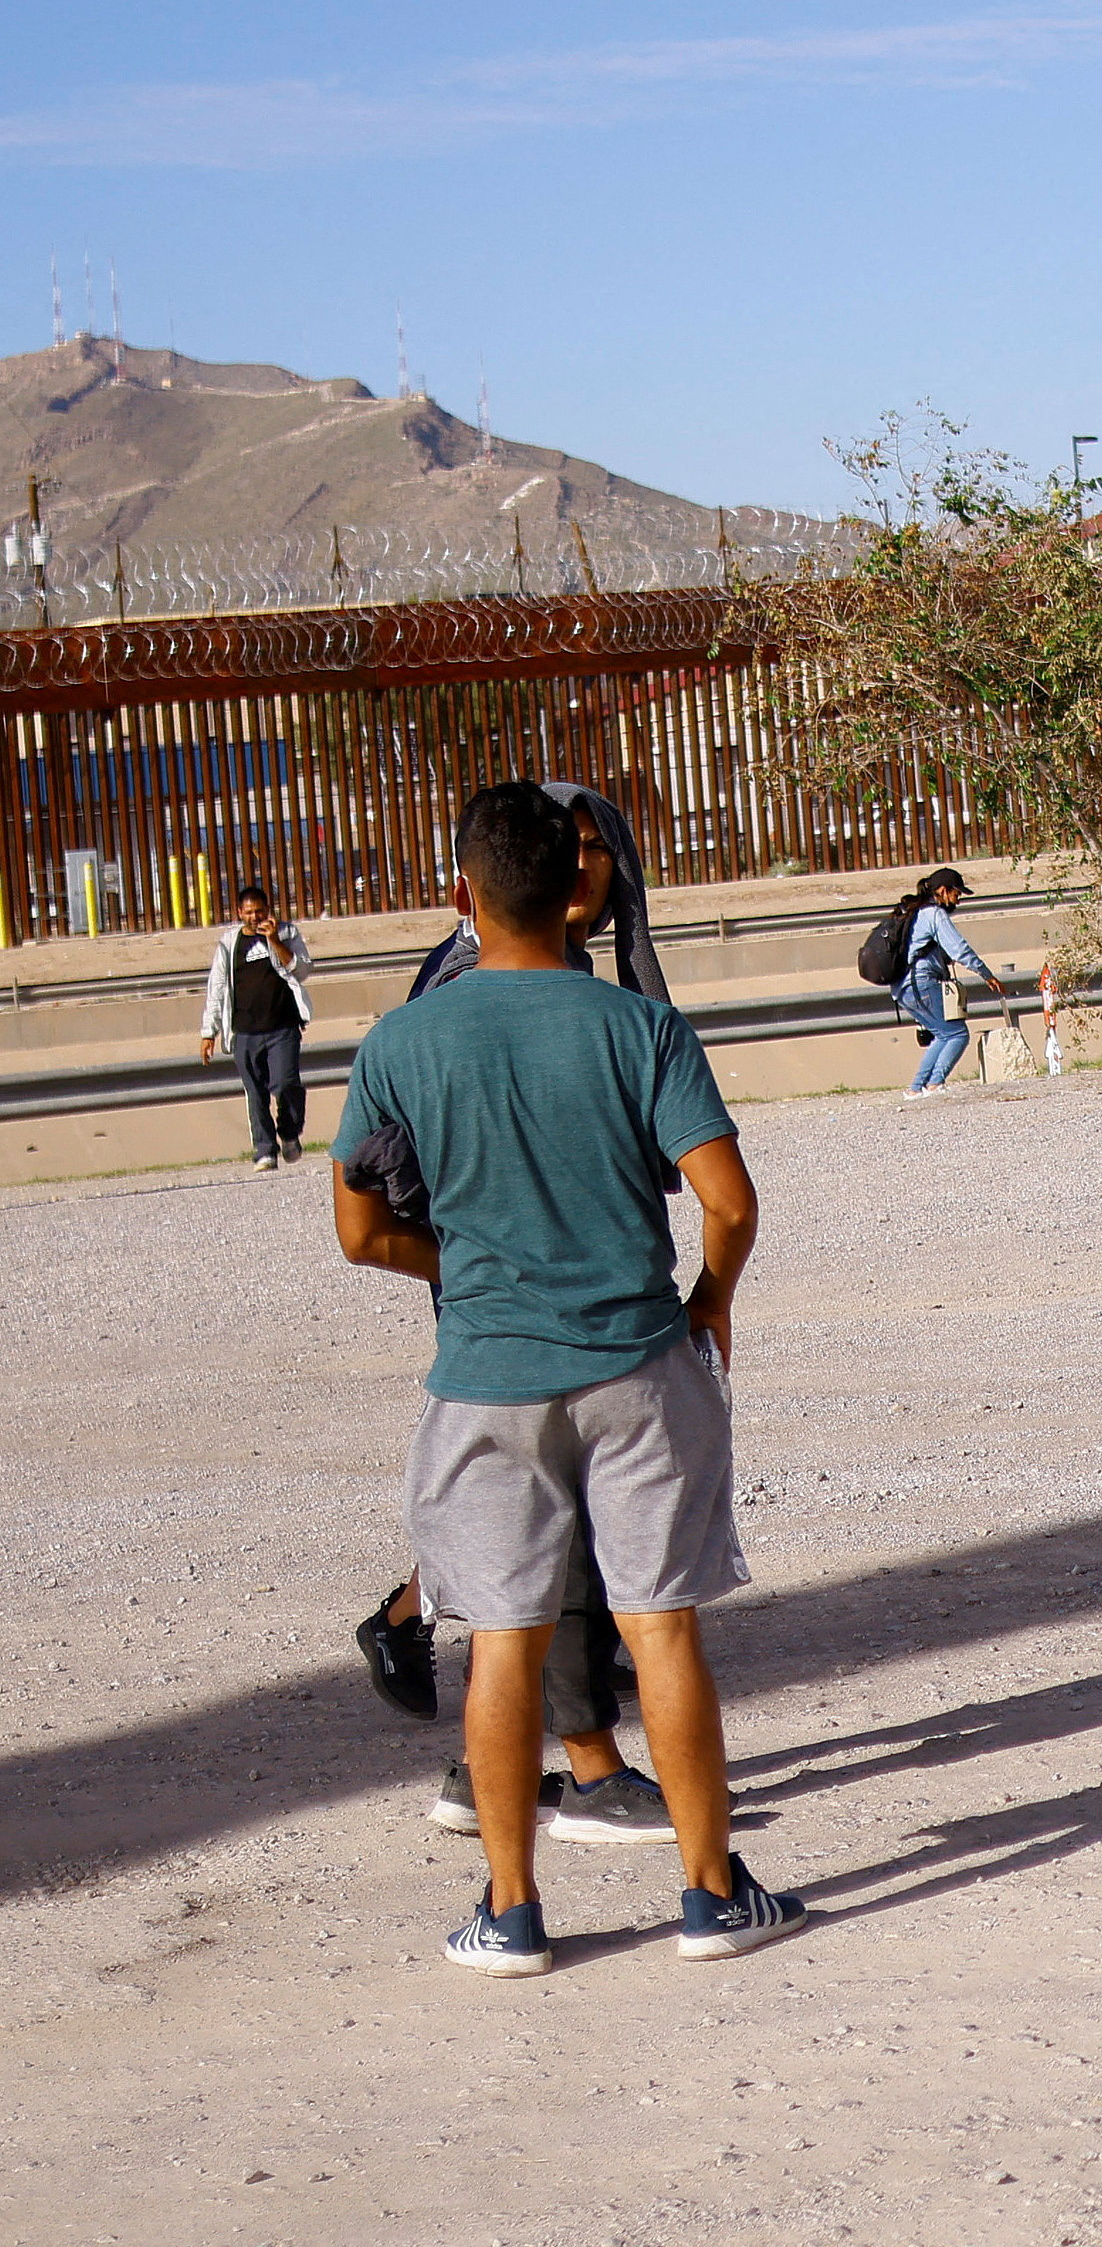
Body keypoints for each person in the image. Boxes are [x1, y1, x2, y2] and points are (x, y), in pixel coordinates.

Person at [330, 781, 799, 1973]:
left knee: (503, 1639)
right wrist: (711, 1297)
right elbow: (731, 1202)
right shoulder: (638, 1028)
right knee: (665, 1633)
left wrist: (479, 1260)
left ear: (461, 895)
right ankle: (709, 1897)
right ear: (581, 891)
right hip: (641, 1361)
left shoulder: (401, 1042)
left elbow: (358, 1231)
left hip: (485, 1374)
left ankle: (514, 1911)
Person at [350, 781, 667, 1832]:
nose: (581, 871)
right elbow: (374, 1202)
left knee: (521, 1522)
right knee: (557, 1531)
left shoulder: (580, 984)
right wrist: (488, 1256)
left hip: (532, 1302)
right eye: (565, 850)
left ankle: (466, 1744)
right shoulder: (468, 982)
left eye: (596, 851)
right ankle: (585, 1764)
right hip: (519, 1309)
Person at [198, 880, 314, 1169]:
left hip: (282, 1028)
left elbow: (302, 970)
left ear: (269, 910)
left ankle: (289, 1133)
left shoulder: (286, 933)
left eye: (260, 911)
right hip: (245, 1032)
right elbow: (216, 987)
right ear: (239, 912)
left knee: (286, 1084)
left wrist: (274, 940)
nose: (255, 917)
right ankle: (265, 1150)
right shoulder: (229, 943)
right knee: (256, 1094)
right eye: (249, 912)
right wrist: (208, 1032)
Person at [892, 869, 1009, 1094]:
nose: (958, 899)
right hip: (921, 982)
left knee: (944, 1034)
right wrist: (986, 974)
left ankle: (917, 1089)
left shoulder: (914, 912)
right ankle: (935, 1085)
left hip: (902, 987)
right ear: (943, 891)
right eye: (957, 893)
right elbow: (959, 949)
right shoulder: (934, 914)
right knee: (957, 1034)